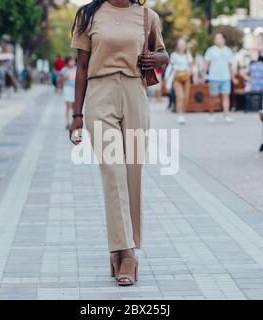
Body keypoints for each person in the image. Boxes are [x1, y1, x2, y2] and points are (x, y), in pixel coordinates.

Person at [69, 0, 168, 286]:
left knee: (132, 171)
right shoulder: (88, 15)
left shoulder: (148, 16)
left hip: (135, 93)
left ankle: (120, 249)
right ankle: (127, 253)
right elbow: (82, 65)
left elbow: (162, 52)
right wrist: (77, 114)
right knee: (113, 171)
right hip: (100, 95)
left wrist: (159, 59)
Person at [203, 33, 237, 123]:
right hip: (213, 77)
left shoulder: (228, 51)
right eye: (216, 38)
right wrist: (204, 74)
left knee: (226, 96)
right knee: (213, 97)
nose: (217, 40)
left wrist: (232, 77)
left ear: (223, 40)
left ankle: (226, 115)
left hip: (225, 78)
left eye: (219, 38)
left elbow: (230, 65)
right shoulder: (210, 50)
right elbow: (206, 63)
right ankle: (212, 114)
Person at [167, 39, 193, 124]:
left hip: (186, 77)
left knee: (186, 97)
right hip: (177, 77)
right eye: (180, 44)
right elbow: (170, 67)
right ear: (177, 45)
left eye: (183, 44)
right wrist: (167, 78)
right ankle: (180, 115)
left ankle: (183, 112)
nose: (182, 46)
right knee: (180, 96)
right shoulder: (174, 55)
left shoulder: (188, 55)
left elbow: (191, 66)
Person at [60, 56, 77, 130]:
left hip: (74, 89)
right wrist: (66, 77)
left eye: (73, 61)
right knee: (68, 106)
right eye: (71, 61)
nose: (72, 62)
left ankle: (73, 122)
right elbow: (60, 80)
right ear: (67, 62)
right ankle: (68, 122)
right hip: (67, 88)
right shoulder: (64, 70)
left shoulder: (76, 69)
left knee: (73, 106)